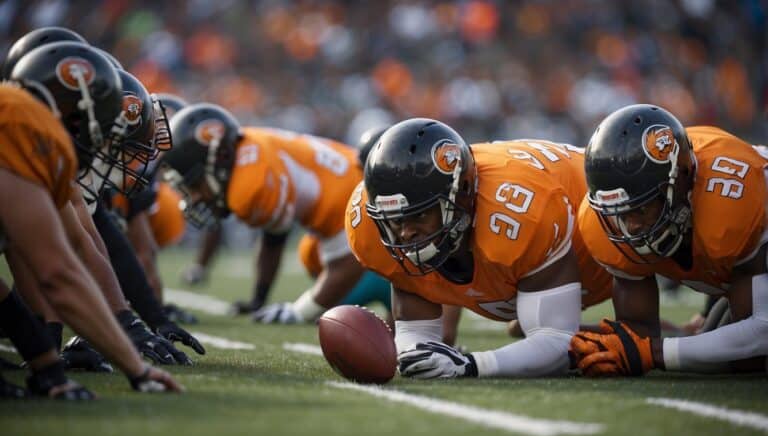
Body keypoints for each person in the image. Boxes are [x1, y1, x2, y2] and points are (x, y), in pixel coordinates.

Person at [345, 118, 612, 379]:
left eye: (420, 216)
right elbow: (417, 333)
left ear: (461, 197)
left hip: (610, 222)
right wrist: (415, 354)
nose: (405, 233)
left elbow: (557, 343)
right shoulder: (371, 226)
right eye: (396, 220)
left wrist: (472, 365)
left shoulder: (519, 212)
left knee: (633, 341)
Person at [2, 40, 181, 393]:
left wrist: (47, 362)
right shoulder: (24, 128)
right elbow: (59, 273)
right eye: (95, 120)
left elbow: (82, 247)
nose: (96, 138)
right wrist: (137, 366)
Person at [570, 104, 768, 376]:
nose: (630, 226)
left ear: (683, 182)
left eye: (640, 209)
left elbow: (760, 335)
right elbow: (637, 332)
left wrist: (655, 353)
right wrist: (569, 341)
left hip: (756, 256)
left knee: (745, 361)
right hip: (738, 275)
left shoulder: (730, 205)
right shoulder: (602, 222)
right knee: (711, 338)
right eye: (620, 214)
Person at [161, 103, 368, 324]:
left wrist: (299, 312)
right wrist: (258, 300)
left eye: (194, 185)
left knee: (339, 311)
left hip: (357, 204)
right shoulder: (243, 150)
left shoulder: (248, 188)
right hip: (349, 187)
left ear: (218, 160)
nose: (194, 197)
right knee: (311, 255)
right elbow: (272, 236)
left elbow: (275, 240)